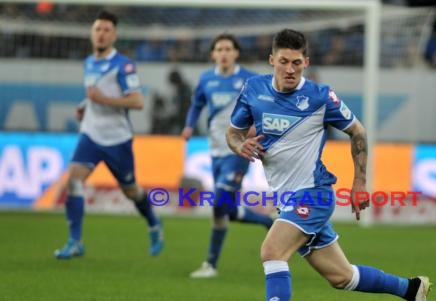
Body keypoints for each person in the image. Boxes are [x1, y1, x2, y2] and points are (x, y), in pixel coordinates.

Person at [227, 29, 431, 301]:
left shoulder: (321, 97)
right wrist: (240, 146)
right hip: (286, 200)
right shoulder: (253, 90)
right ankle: (410, 288)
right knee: (342, 277)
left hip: (315, 194)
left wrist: (360, 182)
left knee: (271, 251)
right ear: (271, 61)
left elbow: (358, 132)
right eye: (283, 62)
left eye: (296, 63)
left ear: (306, 62)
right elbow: (233, 133)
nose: (290, 69)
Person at [54, 10, 164, 259]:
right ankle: (75, 241)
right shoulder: (89, 62)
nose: (101, 34)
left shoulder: (123, 65)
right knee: (73, 180)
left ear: (114, 35)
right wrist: (85, 106)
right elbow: (94, 94)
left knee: (131, 191)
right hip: (91, 134)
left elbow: (137, 102)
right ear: (91, 34)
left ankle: (154, 223)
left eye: (106, 30)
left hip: (117, 139)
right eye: (97, 30)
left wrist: (101, 99)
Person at [181, 33, 273, 279]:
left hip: (238, 149)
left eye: (228, 49)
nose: (223, 53)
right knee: (223, 209)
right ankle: (265, 221)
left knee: (219, 203)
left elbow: (265, 107)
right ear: (213, 54)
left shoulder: (249, 80)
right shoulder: (206, 79)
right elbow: (196, 104)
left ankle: (210, 265)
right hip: (214, 149)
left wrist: (259, 128)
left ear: (236, 53)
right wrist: (189, 125)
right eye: (219, 49)